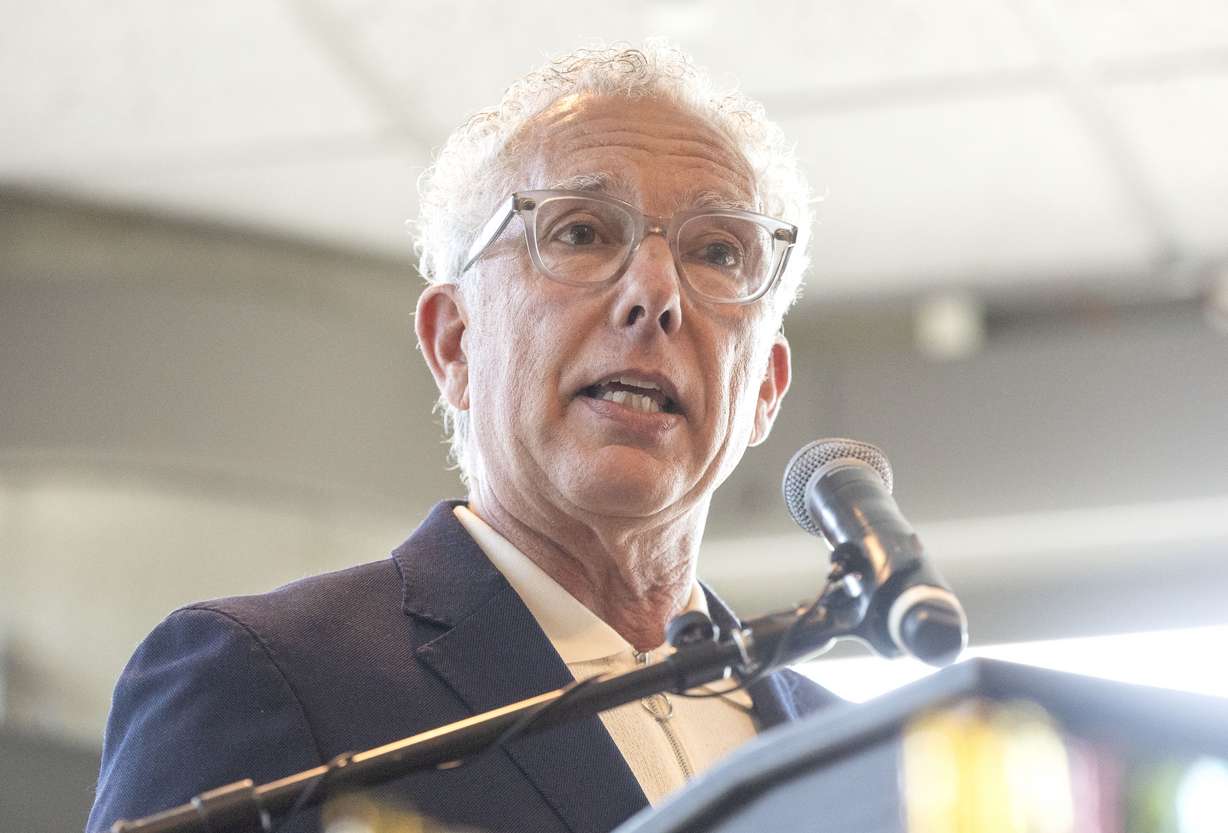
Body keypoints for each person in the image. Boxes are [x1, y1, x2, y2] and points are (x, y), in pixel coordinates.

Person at [87, 41, 839, 833]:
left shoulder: (866, 758)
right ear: (454, 342)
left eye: (718, 251)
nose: (654, 292)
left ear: (764, 388)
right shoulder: (262, 675)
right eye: (581, 232)